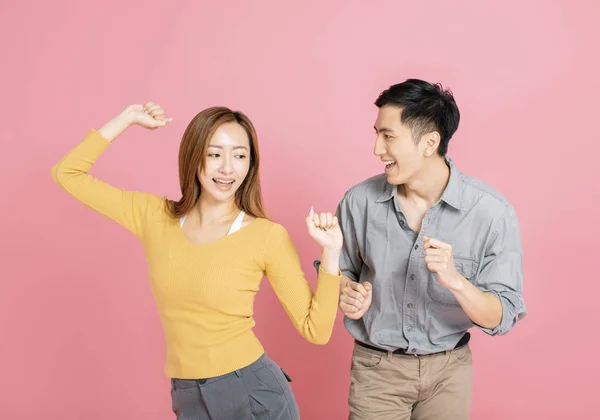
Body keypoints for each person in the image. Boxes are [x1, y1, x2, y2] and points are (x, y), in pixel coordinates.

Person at [51, 102, 343, 419]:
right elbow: (67, 173)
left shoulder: (266, 236)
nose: (228, 168)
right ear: (194, 156)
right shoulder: (153, 217)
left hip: (254, 393)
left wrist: (331, 253)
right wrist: (127, 119)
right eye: (215, 154)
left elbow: (317, 330)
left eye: (240, 155)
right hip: (188, 394)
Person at [334, 79, 527, 419]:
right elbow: (337, 269)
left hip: (448, 374)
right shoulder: (359, 202)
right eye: (377, 134)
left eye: (388, 136)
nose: (377, 149)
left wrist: (456, 281)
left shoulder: (492, 213)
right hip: (377, 369)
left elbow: (502, 316)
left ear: (430, 142)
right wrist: (345, 290)